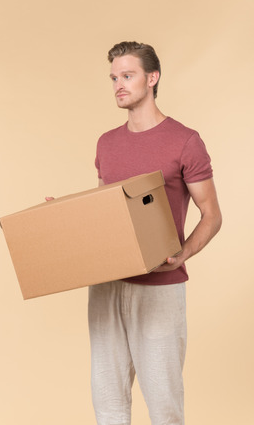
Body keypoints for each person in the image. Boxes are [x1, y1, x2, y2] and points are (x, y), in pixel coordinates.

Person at [88, 41, 222, 425]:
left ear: (152, 77)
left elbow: (212, 215)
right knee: (108, 400)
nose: (118, 84)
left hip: (160, 286)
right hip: (107, 285)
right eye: (114, 77)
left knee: (163, 403)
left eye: (127, 76)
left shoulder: (184, 140)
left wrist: (182, 255)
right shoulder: (107, 143)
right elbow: (103, 214)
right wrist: (62, 217)